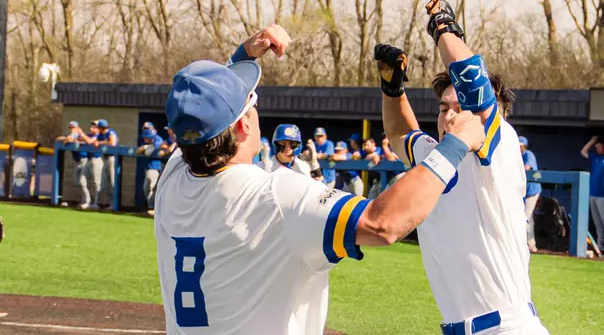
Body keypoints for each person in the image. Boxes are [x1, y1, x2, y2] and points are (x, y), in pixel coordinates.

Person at [154, 24, 485, 335]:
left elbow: (200, 114)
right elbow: (384, 223)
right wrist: (453, 146)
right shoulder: (276, 196)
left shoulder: (173, 176)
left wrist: (244, 57)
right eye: (252, 102)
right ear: (244, 125)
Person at [374, 0, 548, 334]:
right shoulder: (435, 156)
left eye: (459, 107)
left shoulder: (500, 148)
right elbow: (399, 134)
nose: (450, 114)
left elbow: (474, 88)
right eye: (443, 108)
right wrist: (392, 87)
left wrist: (443, 27)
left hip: (508, 327)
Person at [56, 121, 90, 209]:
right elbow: (58, 138)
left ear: (77, 128)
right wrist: (66, 139)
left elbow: (74, 139)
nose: (72, 129)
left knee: (82, 182)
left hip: (84, 160)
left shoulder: (80, 135)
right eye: (70, 127)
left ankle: (87, 201)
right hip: (77, 161)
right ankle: (85, 200)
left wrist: (69, 139)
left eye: (73, 127)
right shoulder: (70, 135)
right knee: (77, 182)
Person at [581, 136, 604, 251]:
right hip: (593, 194)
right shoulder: (595, 157)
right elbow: (583, 152)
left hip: (602, 195)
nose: (597, 148)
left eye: (599, 146)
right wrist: (592, 141)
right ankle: (601, 246)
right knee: (597, 222)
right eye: (596, 147)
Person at [520, 136, 542, 253]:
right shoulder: (519, 155)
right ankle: (532, 245)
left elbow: (526, 168)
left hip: (532, 190)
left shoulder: (528, 154)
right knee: (529, 218)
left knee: (525, 218)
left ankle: (525, 244)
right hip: (525, 192)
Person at [136, 128, 164, 216]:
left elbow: (148, 152)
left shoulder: (158, 139)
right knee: (146, 188)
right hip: (149, 167)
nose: (144, 139)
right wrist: (145, 147)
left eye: (146, 137)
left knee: (152, 187)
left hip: (156, 168)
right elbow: (138, 151)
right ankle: (151, 207)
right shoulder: (147, 143)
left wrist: (147, 148)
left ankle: (154, 208)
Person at [94, 119, 119, 210]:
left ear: (102, 128)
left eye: (99, 128)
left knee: (113, 182)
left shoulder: (111, 132)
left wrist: (100, 143)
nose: (98, 129)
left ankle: (115, 205)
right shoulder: (100, 134)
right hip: (104, 159)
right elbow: (94, 141)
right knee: (104, 185)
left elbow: (112, 143)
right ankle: (111, 203)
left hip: (112, 158)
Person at [78, 120, 102, 209]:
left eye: (95, 127)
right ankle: (87, 201)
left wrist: (82, 134)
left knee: (96, 182)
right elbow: (79, 139)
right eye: (92, 126)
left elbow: (90, 141)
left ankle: (96, 203)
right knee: (82, 180)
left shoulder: (99, 135)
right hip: (88, 160)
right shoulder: (89, 135)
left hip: (96, 160)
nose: (92, 128)